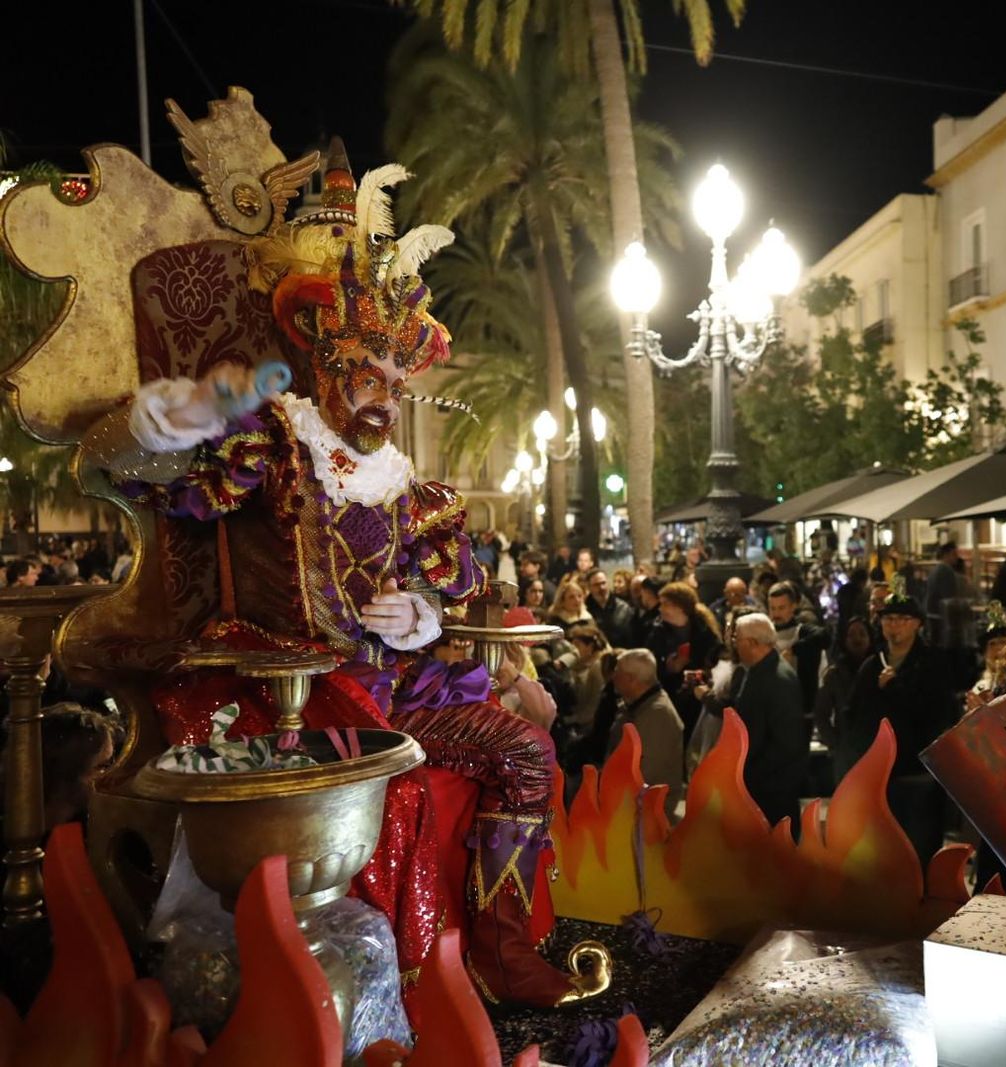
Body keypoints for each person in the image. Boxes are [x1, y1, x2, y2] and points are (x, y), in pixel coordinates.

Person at [83, 150, 581, 1005]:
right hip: (295, 691)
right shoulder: (277, 447)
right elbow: (156, 488)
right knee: (377, 787)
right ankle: (366, 997)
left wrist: (422, 615)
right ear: (322, 363)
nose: (383, 398)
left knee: (527, 751)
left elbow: (455, 578)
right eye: (364, 374)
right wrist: (168, 422)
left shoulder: (409, 490)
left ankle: (500, 952)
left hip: (400, 687)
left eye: (396, 380)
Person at [842, 594, 959, 864]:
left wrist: (896, 690)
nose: (894, 625)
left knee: (918, 851)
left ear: (917, 624)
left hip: (919, 774)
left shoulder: (932, 663)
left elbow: (937, 714)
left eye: (901, 619)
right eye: (888, 619)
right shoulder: (872, 665)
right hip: (879, 774)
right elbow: (853, 715)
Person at [730, 613, 808, 831]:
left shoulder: (778, 680)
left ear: (753, 643)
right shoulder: (759, 671)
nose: (735, 644)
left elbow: (787, 743)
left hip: (772, 791)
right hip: (761, 785)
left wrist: (750, 774)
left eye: (738, 639)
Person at [608, 648, 685, 820]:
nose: (613, 676)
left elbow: (646, 773)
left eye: (617, 671)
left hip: (646, 810)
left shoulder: (657, 715)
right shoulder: (636, 706)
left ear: (630, 679)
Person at [644, 580, 722, 738]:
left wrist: (700, 672)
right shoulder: (657, 632)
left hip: (698, 698)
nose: (660, 609)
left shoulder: (704, 630)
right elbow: (651, 663)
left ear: (680, 607)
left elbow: (716, 660)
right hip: (671, 695)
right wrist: (668, 667)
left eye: (665, 604)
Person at [31, 703, 120, 832]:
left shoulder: (98, 831)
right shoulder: (15, 840)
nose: (110, 776)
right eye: (102, 767)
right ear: (65, 768)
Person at [815, 616, 877, 783]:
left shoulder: (879, 670)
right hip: (846, 751)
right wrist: (836, 744)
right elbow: (821, 713)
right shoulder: (834, 674)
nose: (857, 639)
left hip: (876, 748)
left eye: (862, 634)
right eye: (851, 634)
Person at [767, 580, 830, 715]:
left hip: (800, 709)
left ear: (793, 606)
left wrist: (793, 650)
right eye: (773, 608)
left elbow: (824, 636)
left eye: (781, 608)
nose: (776, 614)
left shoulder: (803, 632)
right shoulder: (765, 633)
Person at [584, 568, 634, 649]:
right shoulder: (584, 610)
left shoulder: (623, 608)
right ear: (589, 587)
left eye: (603, 583)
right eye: (596, 585)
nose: (601, 587)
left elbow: (632, 637)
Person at [923, 542, 961, 647]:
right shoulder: (945, 570)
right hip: (940, 615)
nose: (956, 557)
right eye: (954, 554)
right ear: (946, 554)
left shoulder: (935, 569)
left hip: (932, 613)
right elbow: (948, 596)